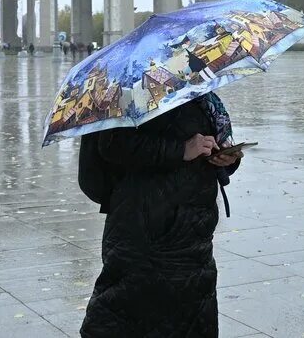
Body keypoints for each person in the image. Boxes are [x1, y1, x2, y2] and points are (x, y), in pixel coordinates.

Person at [78, 93, 243, 338]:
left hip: (194, 228)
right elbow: (112, 145)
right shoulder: (130, 88)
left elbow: (208, 141)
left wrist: (225, 157)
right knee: (130, 311)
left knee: (191, 315)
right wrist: (181, 150)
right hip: (146, 224)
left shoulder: (202, 93)